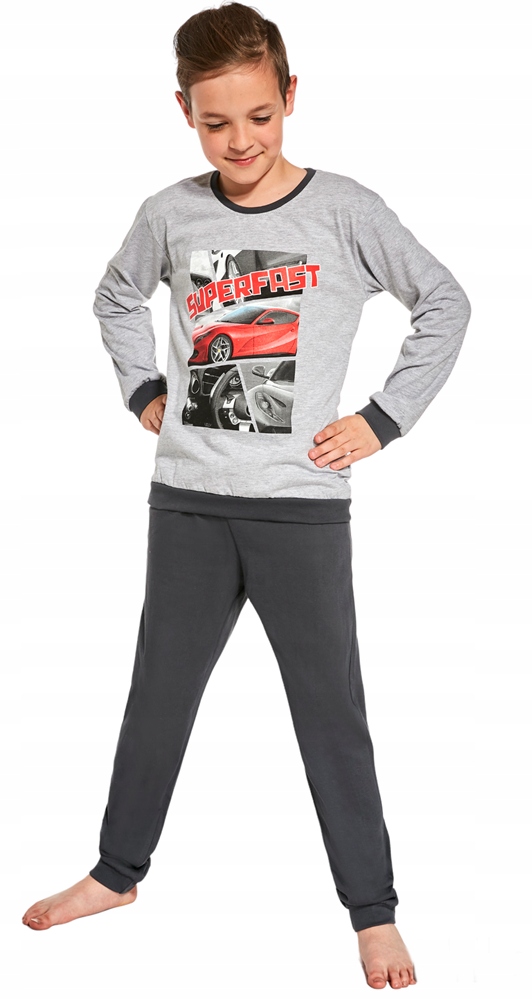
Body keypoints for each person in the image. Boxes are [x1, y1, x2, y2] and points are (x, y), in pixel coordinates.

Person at [22, 1, 471, 989]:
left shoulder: (345, 211)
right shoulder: (169, 212)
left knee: (328, 709)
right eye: (215, 121)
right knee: (158, 693)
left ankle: (372, 910)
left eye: (259, 116)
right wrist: (142, 388)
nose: (240, 141)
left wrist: (383, 418)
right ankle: (116, 872)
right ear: (183, 110)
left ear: (290, 97)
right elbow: (114, 296)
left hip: (300, 509)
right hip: (186, 499)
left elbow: (445, 301)